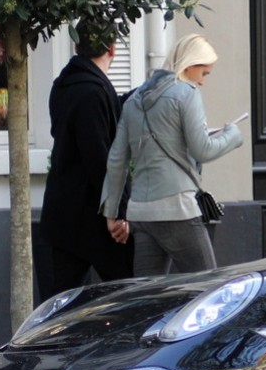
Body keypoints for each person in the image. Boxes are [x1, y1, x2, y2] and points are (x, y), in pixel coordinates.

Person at [100, 34, 244, 276]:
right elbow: (203, 150)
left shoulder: (134, 100)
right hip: (177, 210)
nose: (203, 81)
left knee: (148, 297)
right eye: (204, 73)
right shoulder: (186, 93)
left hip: (141, 214)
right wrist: (232, 135)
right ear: (190, 64)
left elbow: (116, 160)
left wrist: (112, 213)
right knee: (207, 288)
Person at [37, 20, 133, 303]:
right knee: (130, 301)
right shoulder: (92, 92)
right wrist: (117, 212)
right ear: (113, 49)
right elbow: (99, 159)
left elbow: (96, 119)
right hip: (93, 219)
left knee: (57, 312)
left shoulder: (65, 85)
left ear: (77, 45)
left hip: (63, 216)